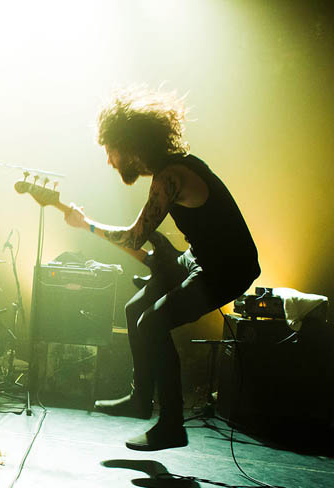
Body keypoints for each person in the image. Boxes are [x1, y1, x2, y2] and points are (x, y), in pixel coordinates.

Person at [63, 86, 259, 451]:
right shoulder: (173, 169)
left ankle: (171, 424)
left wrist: (85, 224)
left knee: (152, 321)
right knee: (135, 308)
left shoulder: (172, 176)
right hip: (201, 257)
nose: (109, 160)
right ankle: (140, 401)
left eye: (110, 150)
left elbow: (134, 238)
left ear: (130, 143)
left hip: (227, 269)